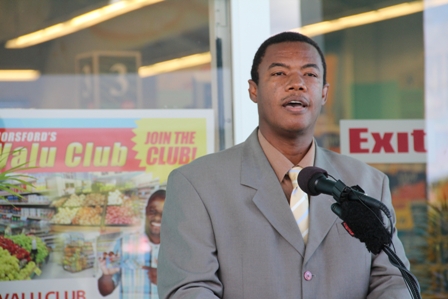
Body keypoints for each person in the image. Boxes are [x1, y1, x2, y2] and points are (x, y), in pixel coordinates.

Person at [158, 32, 411, 299]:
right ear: (253, 90)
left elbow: (394, 280)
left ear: (324, 93)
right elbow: (189, 289)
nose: (297, 84)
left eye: (310, 75)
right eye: (279, 73)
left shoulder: (370, 183)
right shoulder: (197, 184)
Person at [98, 189, 165, 299]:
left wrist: (167, 282)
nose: (157, 217)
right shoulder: (123, 243)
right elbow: (104, 291)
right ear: (146, 211)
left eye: (165, 212)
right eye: (153, 211)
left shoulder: (182, 251)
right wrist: (107, 275)